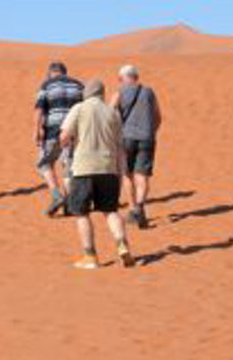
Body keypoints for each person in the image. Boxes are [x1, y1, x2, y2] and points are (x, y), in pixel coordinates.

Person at [59, 79, 134, 269]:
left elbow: (64, 136)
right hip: (108, 169)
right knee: (110, 211)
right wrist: (123, 170)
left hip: (84, 168)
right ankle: (122, 244)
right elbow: (119, 145)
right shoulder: (112, 113)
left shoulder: (79, 108)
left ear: (87, 93)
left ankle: (90, 256)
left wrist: (66, 145)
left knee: (82, 213)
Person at [110, 65, 163, 228]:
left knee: (127, 174)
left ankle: (133, 208)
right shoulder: (149, 92)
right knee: (143, 175)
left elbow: (109, 114)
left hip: (126, 138)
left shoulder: (119, 93)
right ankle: (140, 206)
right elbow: (158, 116)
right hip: (147, 138)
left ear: (122, 78)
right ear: (136, 77)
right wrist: (151, 131)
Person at [34, 61, 84, 215]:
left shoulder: (46, 85)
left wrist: (36, 130)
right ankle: (69, 204)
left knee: (44, 163)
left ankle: (56, 195)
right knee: (68, 165)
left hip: (52, 131)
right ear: (65, 72)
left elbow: (39, 110)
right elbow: (85, 109)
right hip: (73, 131)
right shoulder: (78, 85)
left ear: (50, 72)